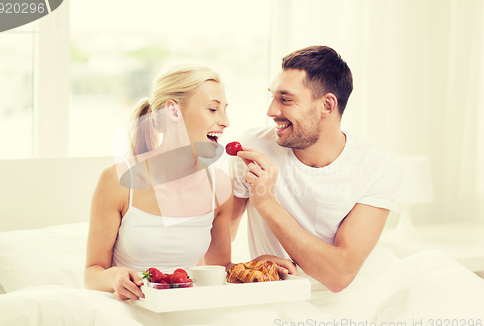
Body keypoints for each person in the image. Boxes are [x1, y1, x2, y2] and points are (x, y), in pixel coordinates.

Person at [229, 46, 402, 293]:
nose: (271, 111)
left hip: (348, 302)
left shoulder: (377, 167)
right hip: (268, 296)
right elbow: (221, 234)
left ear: (327, 105)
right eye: (272, 97)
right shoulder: (253, 148)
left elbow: (339, 275)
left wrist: (266, 203)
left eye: (285, 99)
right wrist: (245, 267)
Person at [85, 64, 234, 301]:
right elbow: (92, 274)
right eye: (213, 109)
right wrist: (113, 277)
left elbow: (220, 272)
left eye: (225, 110)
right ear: (173, 112)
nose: (225, 121)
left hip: (186, 308)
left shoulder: (222, 186)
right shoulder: (118, 180)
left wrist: (262, 266)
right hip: (127, 308)